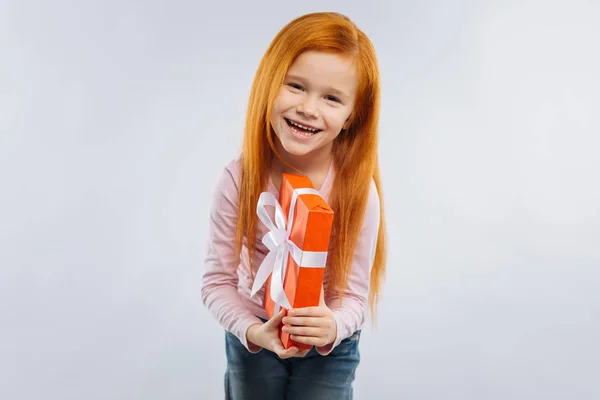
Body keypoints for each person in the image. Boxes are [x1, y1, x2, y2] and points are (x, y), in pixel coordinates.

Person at [201, 11, 387, 400]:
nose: (308, 107)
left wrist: (332, 326)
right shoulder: (239, 178)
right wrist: (253, 331)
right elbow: (216, 282)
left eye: (332, 98)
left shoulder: (357, 190)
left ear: (353, 116)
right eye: (296, 86)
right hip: (253, 331)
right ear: (270, 84)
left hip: (329, 350)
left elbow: (353, 296)